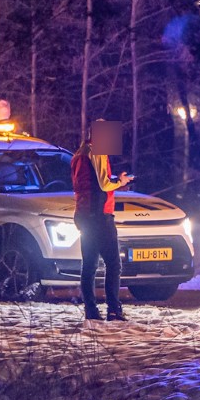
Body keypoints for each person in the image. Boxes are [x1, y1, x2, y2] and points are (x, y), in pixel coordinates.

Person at [71, 120, 133, 321]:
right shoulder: (97, 152)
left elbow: (90, 183)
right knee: (113, 264)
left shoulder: (78, 155)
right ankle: (113, 309)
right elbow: (104, 184)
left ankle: (91, 310)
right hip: (100, 216)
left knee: (88, 265)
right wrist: (120, 182)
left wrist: (115, 183)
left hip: (84, 214)